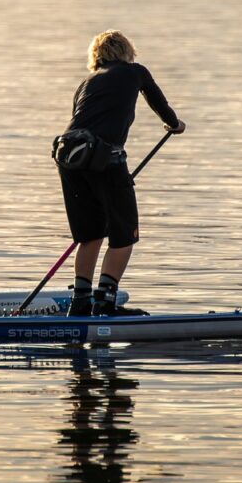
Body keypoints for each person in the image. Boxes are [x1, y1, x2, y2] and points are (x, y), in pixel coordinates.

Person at [57, 30, 186, 316]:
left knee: (90, 235)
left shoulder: (86, 82)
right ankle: (104, 302)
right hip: (104, 158)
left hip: (68, 156)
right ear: (126, 52)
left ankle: (80, 302)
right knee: (125, 234)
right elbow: (159, 103)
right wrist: (175, 125)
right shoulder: (135, 72)